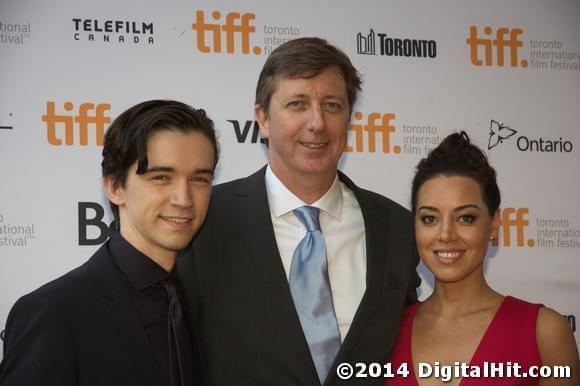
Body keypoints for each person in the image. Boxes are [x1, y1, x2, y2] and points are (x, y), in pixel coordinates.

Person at [178, 37, 420, 386]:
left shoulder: (397, 227)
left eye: (332, 105)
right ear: (262, 118)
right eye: (297, 104)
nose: (317, 123)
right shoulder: (205, 220)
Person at [0, 100, 218, 386]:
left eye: (199, 179)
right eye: (161, 177)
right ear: (115, 187)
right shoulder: (55, 312)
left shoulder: (207, 299)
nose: (184, 199)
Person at [386, 132, 579, 386]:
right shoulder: (388, 330)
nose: (445, 234)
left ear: (494, 224)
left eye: (465, 217)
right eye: (429, 218)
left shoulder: (544, 332)